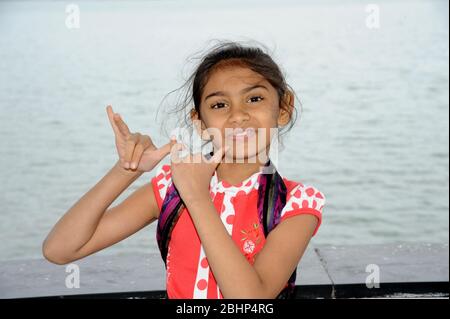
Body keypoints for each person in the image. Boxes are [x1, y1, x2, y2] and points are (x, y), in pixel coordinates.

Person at [43, 41, 326, 299]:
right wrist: (126, 170)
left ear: (283, 108)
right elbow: (60, 249)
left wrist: (198, 197)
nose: (238, 115)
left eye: (254, 99)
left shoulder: (296, 203)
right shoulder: (172, 188)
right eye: (219, 105)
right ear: (200, 122)